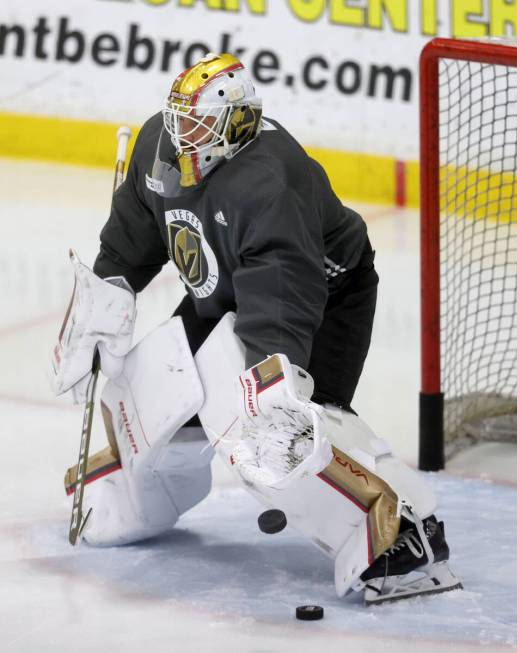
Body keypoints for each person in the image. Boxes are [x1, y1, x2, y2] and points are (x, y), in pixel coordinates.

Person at [49, 52, 461, 605]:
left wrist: (273, 377)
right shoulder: (159, 145)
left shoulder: (271, 181)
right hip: (227, 295)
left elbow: (283, 291)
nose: (182, 137)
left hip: (326, 298)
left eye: (199, 126)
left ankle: (402, 532)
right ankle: (137, 497)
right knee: (160, 380)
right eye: (178, 121)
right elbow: (135, 230)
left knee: (272, 426)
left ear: (238, 125)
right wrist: (104, 298)